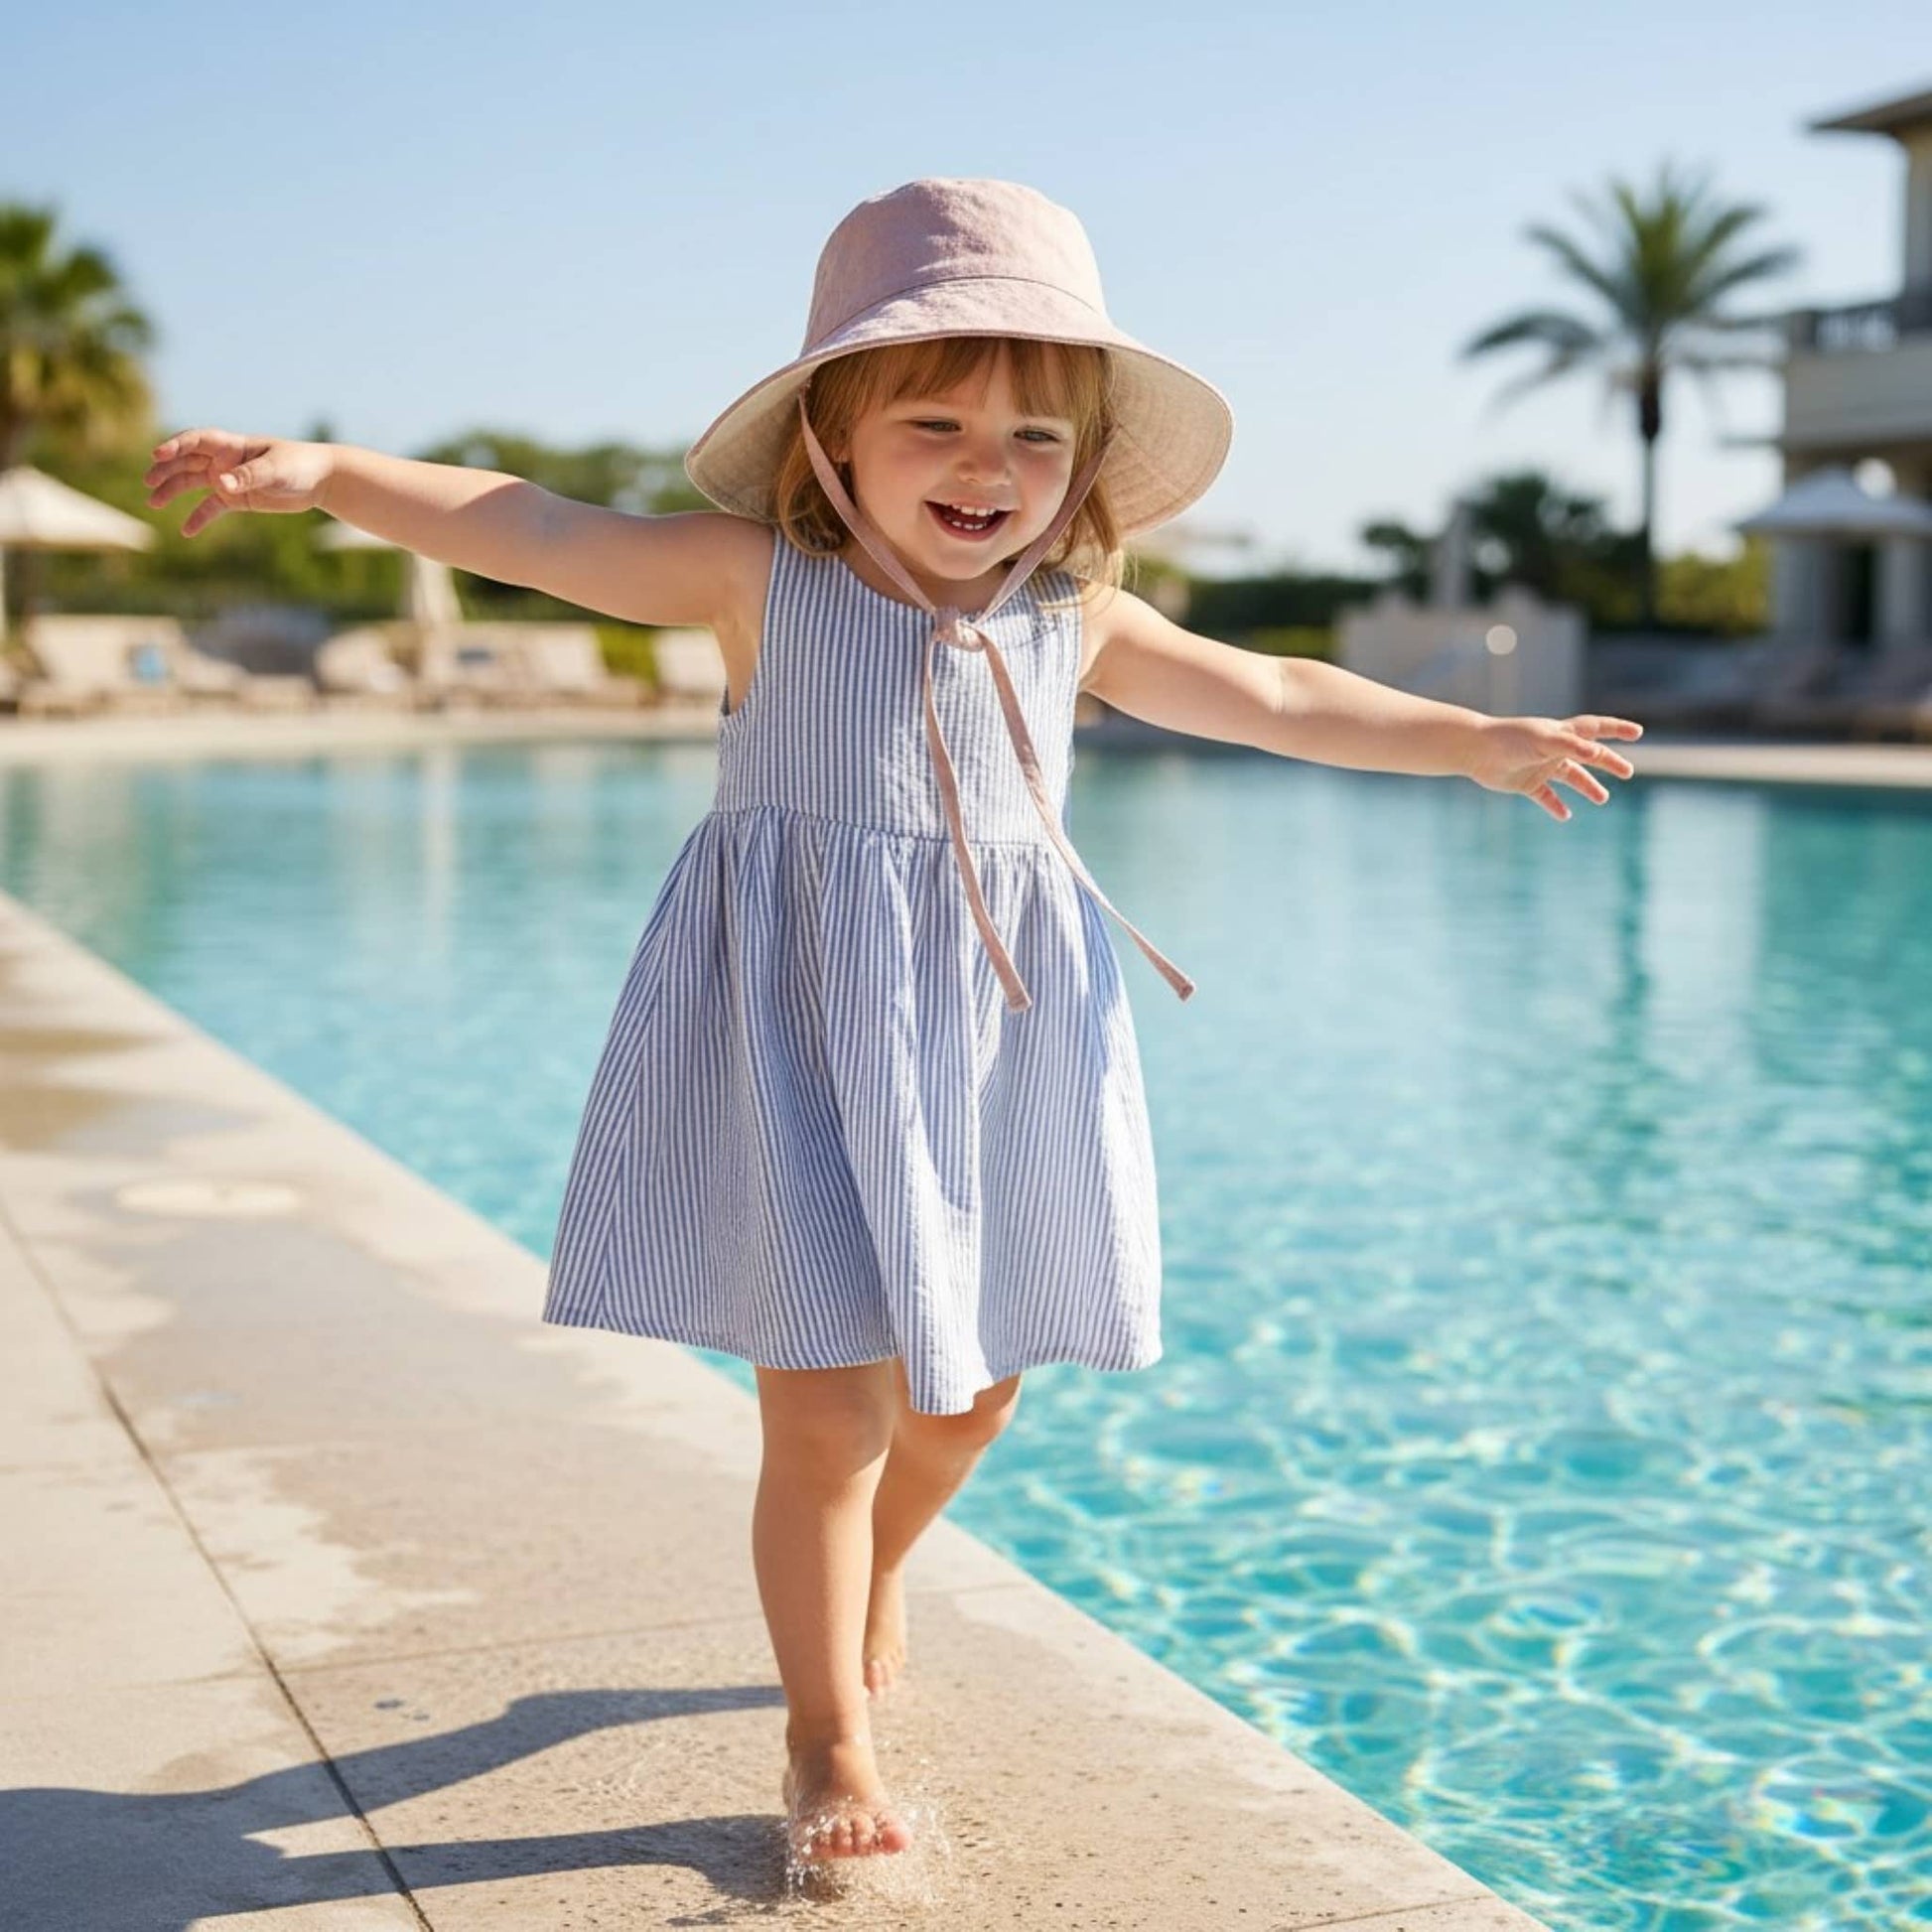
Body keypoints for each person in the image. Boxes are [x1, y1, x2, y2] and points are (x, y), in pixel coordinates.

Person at [143, 175, 1642, 1872]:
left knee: (976, 1396)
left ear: (1082, 466)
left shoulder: (1073, 620)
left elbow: (1281, 692)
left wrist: (1470, 740)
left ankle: (882, 1570)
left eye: (1033, 437)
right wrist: (332, 474)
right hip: (794, 1039)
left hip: (993, 1048)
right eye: (934, 421)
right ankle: (824, 1735)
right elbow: (539, 527)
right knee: (825, 1415)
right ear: (832, 437)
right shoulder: (755, 583)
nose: (986, 465)